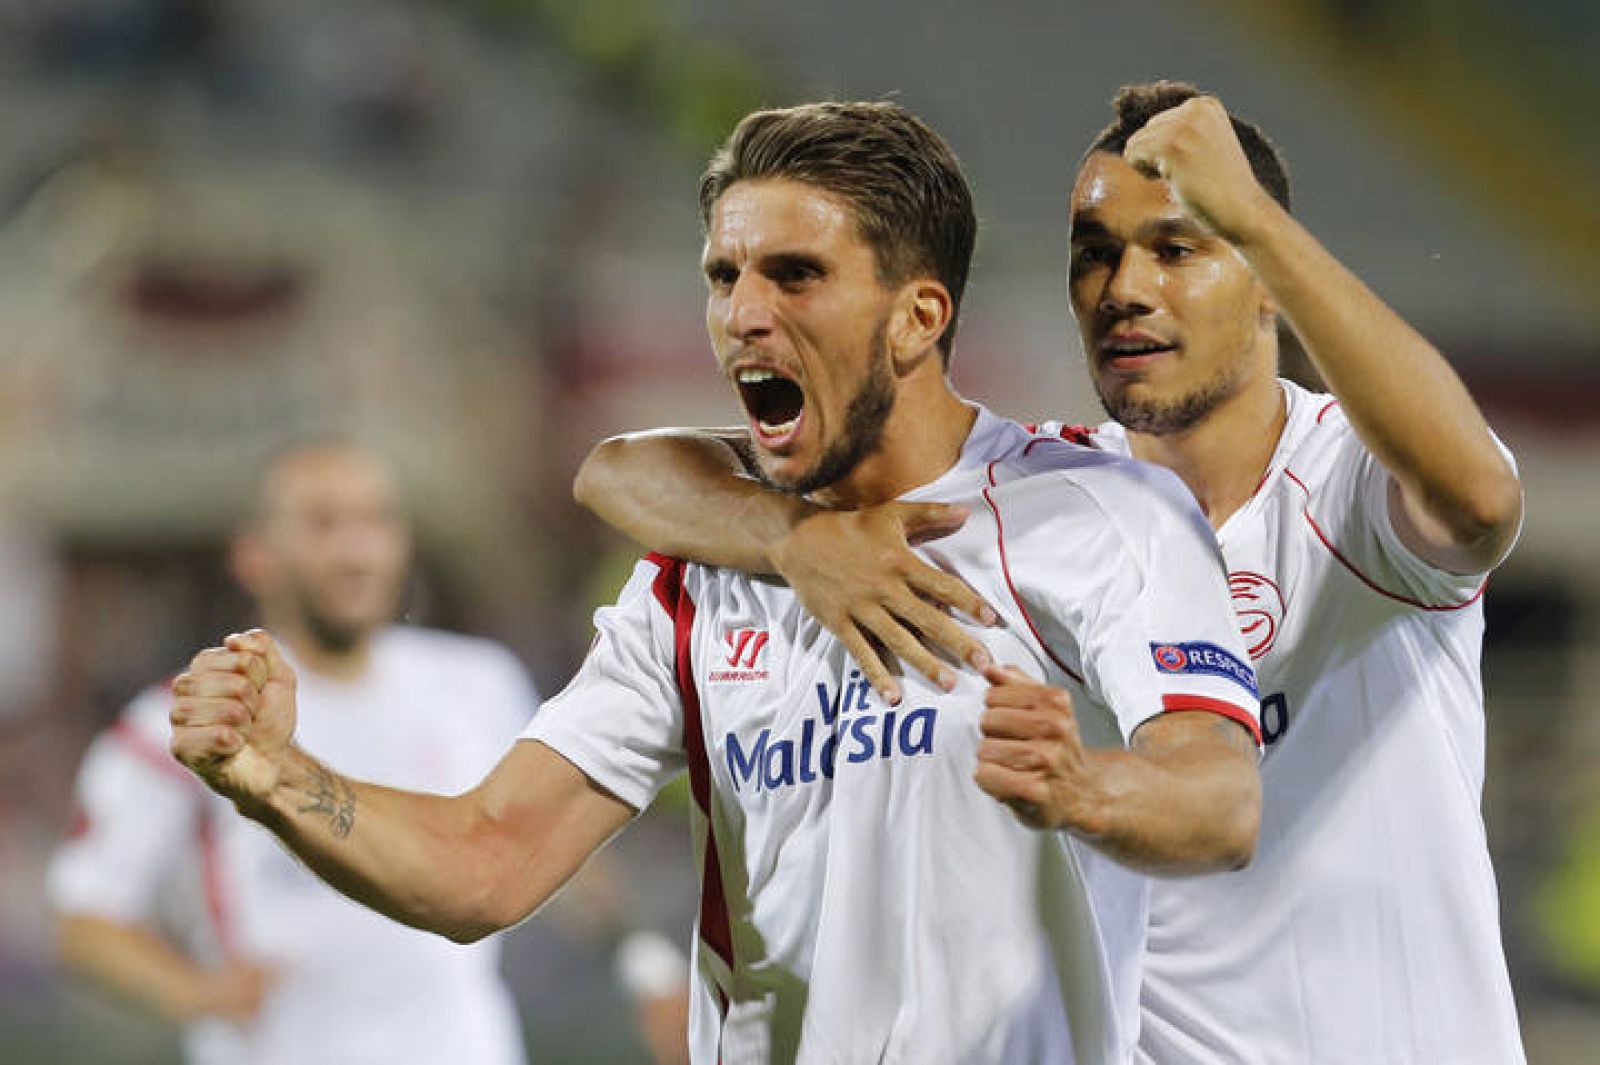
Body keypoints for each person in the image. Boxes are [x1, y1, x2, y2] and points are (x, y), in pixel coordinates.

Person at [166, 101, 1263, 1064]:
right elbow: (482, 864)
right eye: (724, 276)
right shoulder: (695, 584)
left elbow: (1218, 800)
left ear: (918, 317)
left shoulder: (1096, 514)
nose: (743, 314)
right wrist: (270, 774)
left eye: (795, 275)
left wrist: (1086, 790)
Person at [574, 82, 1527, 1063]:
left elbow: (1480, 501)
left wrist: (1247, 212)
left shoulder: (1347, 480)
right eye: (1095, 255)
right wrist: (787, 537)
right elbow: (624, 470)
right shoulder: (1055, 507)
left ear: (1264, 268)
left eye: (1177, 246)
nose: (1125, 289)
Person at [49, 442, 537, 1065]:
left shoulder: (481, 684)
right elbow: (84, 914)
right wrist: (197, 993)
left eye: (376, 521)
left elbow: (554, 847)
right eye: (322, 524)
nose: (356, 550)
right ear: (253, 555)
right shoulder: (189, 717)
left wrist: (645, 965)